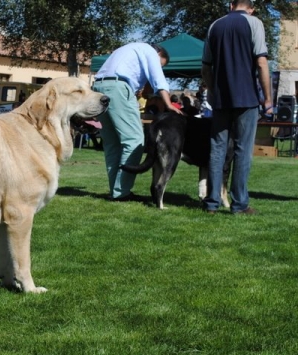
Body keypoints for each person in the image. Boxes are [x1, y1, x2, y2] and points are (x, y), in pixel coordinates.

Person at [201, 0, 272, 215]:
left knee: (217, 149)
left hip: (221, 100)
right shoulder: (254, 23)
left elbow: (205, 67)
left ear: (231, 5)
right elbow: (261, 62)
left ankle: (211, 203)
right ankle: (239, 204)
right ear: (250, 8)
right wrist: (268, 99)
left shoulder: (215, 25)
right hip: (247, 97)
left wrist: (213, 93)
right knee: (242, 151)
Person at [92, 43, 183, 201]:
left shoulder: (127, 48)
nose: (158, 66)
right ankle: (122, 192)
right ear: (159, 53)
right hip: (118, 87)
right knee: (134, 140)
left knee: (112, 143)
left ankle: (116, 191)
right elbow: (158, 78)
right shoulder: (150, 51)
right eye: (161, 64)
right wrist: (168, 104)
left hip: (98, 87)